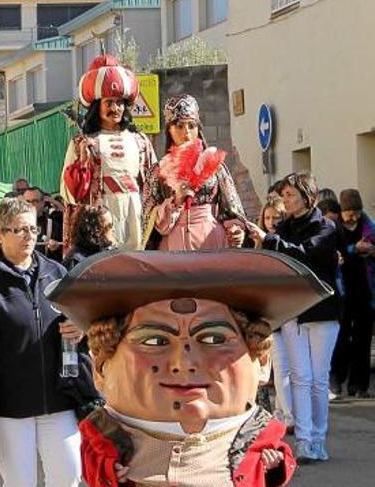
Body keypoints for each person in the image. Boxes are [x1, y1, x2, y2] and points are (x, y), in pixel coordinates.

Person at [46, 249, 331, 486]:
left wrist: (274, 466)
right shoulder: (105, 431)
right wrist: (109, 471)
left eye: (214, 339)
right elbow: (94, 461)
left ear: (262, 363)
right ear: (102, 369)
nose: (185, 362)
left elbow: (275, 461)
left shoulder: (259, 432)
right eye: (155, 340)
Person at [0, 198, 83, 486]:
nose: (29, 236)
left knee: (69, 474)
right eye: (19, 230)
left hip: (59, 398)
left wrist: (81, 328)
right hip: (8, 407)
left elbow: (82, 319)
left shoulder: (57, 273)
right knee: (19, 480)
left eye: (32, 228)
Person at [247, 173, 340, 462]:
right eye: (284, 194)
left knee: (317, 379)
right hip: (292, 312)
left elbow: (305, 255)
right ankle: (303, 439)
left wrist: (270, 240)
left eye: (291, 195)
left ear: (306, 196)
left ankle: (318, 438)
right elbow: (276, 263)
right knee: (299, 377)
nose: (285, 200)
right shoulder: (284, 227)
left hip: (322, 311)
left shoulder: (326, 227)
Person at [60, 55, 158, 251]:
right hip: (100, 217)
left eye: (120, 102)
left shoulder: (141, 141)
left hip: (136, 217)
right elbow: (69, 192)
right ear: (97, 106)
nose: (116, 108)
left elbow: (154, 182)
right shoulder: (82, 142)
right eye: (109, 102)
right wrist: (82, 163)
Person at [142, 94, 247, 251]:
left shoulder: (215, 166)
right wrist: (176, 201)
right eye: (179, 126)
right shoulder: (157, 171)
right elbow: (148, 219)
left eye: (192, 125)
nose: (186, 132)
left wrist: (236, 229)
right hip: (172, 245)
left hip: (212, 240)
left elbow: (233, 209)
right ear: (169, 130)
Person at [255, 197, 294, 428]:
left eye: (276, 218)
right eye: (268, 218)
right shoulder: (259, 244)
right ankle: (284, 416)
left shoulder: (285, 242)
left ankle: (283, 414)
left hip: (286, 310)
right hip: (266, 313)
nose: (271, 222)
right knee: (277, 367)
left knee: (286, 368)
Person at [333, 189, 374, 398]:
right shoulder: (335, 228)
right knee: (341, 339)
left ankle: (361, 385)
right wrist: (353, 249)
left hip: (365, 292)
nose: (354, 217)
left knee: (362, 340)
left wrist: (371, 251)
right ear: (342, 211)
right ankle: (339, 381)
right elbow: (335, 252)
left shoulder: (369, 227)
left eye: (356, 212)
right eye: (350, 212)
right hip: (343, 292)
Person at [63, 204, 117, 270]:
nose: (113, 229)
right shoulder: (76, 261)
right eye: (110, 225)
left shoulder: (108, 254)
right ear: (96, 231)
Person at [23, 187, 64, 262]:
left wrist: (56, 248)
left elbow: (62, 255)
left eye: (35, 201)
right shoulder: (15, 225)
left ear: (43, 203)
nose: (31, 205)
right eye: (28, 201)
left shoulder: (53, 225)